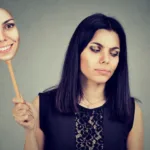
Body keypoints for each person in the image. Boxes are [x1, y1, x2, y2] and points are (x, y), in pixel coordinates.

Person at [10, 11, 144, 150]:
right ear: (77, 52)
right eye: (96, 49)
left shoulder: (131, 111)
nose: (106, 59)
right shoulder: (42, 105)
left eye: (114, 53)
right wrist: (30, 131)